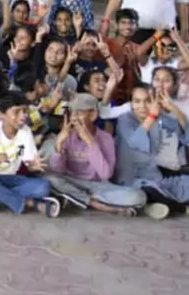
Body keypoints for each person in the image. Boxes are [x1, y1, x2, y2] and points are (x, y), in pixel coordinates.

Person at [47, 93, 152, 217]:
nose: (73, 118)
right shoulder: (67, 136)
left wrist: (90, 142)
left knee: (139, 196)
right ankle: (97, 204)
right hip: (71, 182)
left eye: (79, 113)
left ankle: (75, 198)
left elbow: (106, 174)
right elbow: (57, 170)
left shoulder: (106, 138)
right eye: (72, 113)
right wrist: (59, 143)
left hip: (97, 187)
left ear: (92, 115)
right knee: (49, 178)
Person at [0, 92, 60, 217]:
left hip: (9, 178)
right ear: (2, 114)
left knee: (43, 187)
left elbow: (29, 163)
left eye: (24, 111)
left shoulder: (25, 132)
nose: (22, 117)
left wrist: (33, 166)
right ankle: (29, 203)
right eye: (16, 112)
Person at [115, 83, 189, 214]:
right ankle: (181, 208)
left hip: (154, 177)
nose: (142, 106)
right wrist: (152, 116)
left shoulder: (158, 116)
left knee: (182, 183)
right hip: (130, 180)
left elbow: (184, 132)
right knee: (145, 191)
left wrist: (172, 107)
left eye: (148, 101)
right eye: (137, 101)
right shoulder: (124, 119)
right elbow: (134, 141)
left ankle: (155, 206)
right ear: (131, 103)